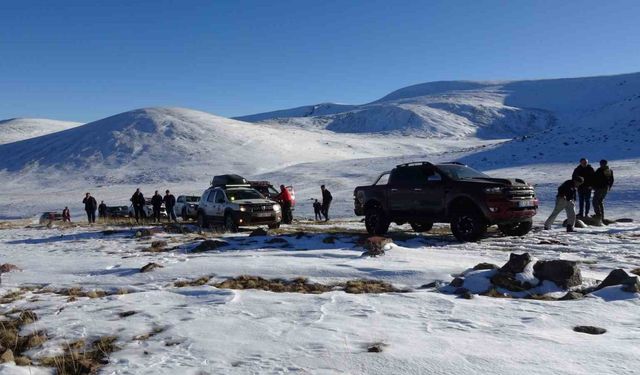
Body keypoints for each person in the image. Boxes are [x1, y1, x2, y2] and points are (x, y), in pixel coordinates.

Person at [592, 159, 614, 223]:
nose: (602, 165)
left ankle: (598, 215)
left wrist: (608, 186)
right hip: (602, 188)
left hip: (601, 188)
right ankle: (601, 216)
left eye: (603, 163)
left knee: (595, 201)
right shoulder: (602, 170)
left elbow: (610, 180)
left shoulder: (606, 170)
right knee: (599, 202)